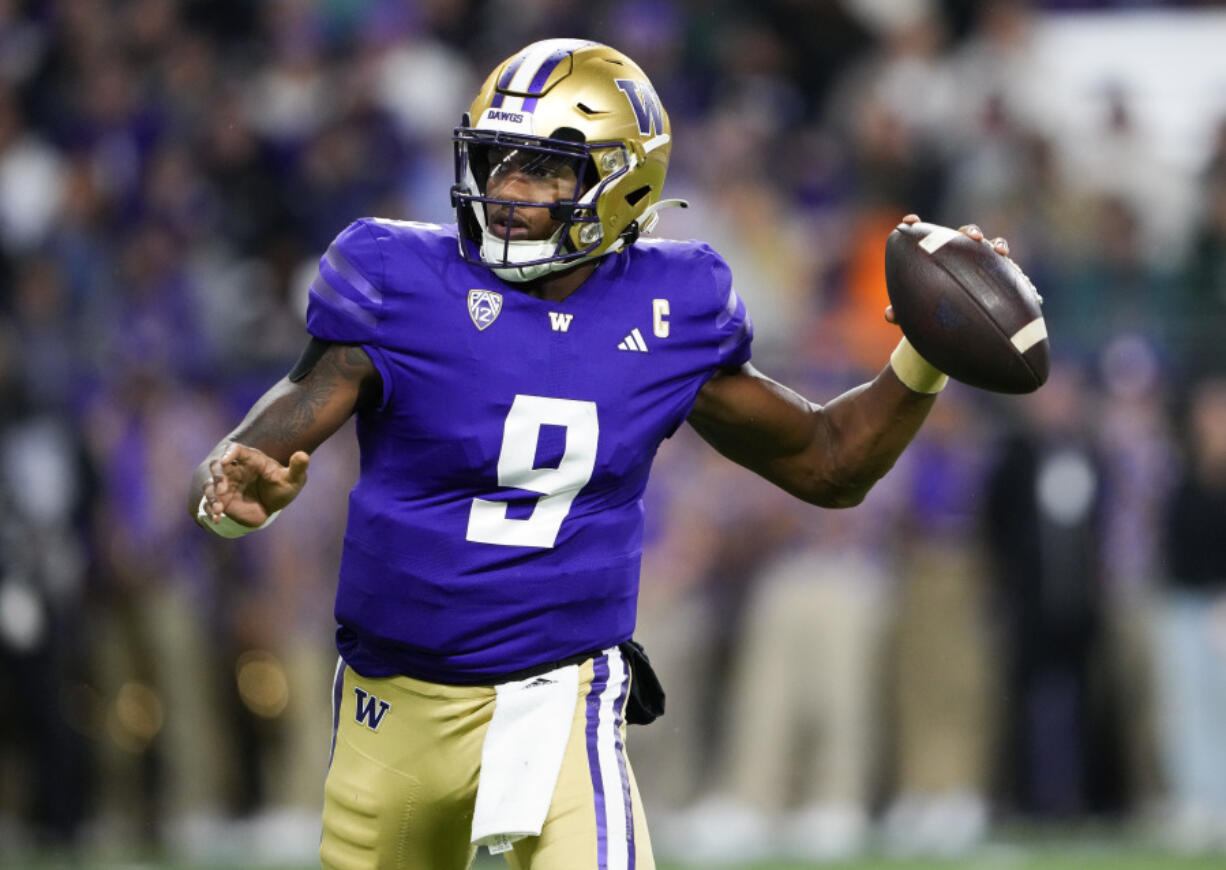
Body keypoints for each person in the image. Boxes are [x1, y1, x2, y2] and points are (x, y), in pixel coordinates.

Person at [189, 38, 1011, 870]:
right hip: (388, 707)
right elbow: (270, 432)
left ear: (625, 183)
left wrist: (925, 351)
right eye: (494, 162)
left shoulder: (670, 308)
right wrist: (230, 480)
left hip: (560, 697)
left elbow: (829, 461)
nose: (507, 193)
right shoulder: (396, 280)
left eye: (543, 171)